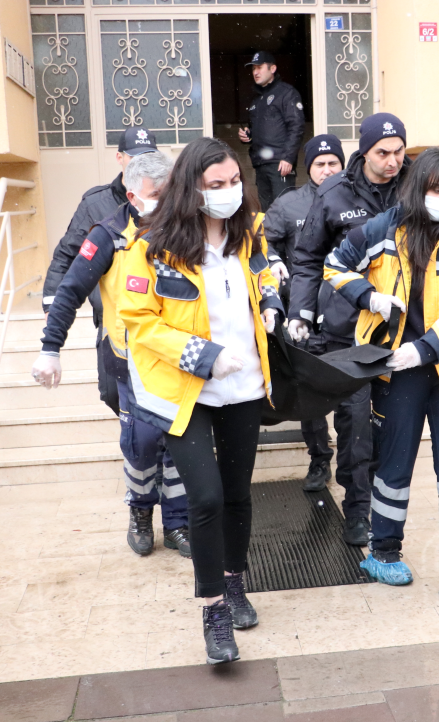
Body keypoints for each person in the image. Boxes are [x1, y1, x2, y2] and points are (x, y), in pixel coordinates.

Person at [119, 137, 283, 665]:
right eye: (217, 186)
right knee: (206, 498)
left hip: (242, 387)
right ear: (191, 189)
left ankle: (235, 584)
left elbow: (267, 280)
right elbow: (139, 322)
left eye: (235, 182)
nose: (230, 193)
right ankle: (213, 607)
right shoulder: (152, 247)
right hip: (183, 391)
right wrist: (202, 353)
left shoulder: (250, 237)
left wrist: (279, 307)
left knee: (237, 494)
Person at [323, 147, 439, 600]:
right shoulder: (382, 230)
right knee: (393, 468)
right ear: (418, 188)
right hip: (395, 372)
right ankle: (383, 553)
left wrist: (427, 349)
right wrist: (369, 297)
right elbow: (335, 266)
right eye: (437, 189)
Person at [31, 152, 191, 559]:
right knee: (141, 444)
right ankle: (140, 513)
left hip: (177, 355)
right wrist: (51, 348)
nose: (167, 198)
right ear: (134, 193)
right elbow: (70, 290)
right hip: (128, 358)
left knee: (180, 442)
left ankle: (177, 522)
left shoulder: (182, 228)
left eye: (170, 190)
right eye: (158, 193)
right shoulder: (108, 232)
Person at [287, 113, 410, 546]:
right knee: (355, 426)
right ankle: (357, 511)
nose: (393, 161)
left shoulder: (416, 185)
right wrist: (299, 313)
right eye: (383, 153)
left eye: (399, 152)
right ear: (364, 150)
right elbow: (306, 258)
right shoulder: (335, 193)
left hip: (401, 332)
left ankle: (384, 505)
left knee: (391, 425)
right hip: (347, 332)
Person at [42, 127, 159, 416]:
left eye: (149, 158)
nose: (142, 165)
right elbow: (68, 253)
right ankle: (138, 441)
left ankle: (152, 450)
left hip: (156, 316)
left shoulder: (164, 200)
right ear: (119, 158)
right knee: (111, 392)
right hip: (111, 317)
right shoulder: (96, 203)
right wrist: (51, 300)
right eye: (135, 158)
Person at [263, 134, 345, 492]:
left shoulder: (356, 199)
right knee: (309, 390)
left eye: (333, 164)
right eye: (319, 164)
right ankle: (319, 459)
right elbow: (262, 240)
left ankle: (358, 467)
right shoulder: (288, 204)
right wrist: (275, 259)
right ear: (307, 167)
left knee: (351, 392)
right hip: (304, 313)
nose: (327, 171)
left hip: (348, 312)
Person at [238, 51, 305, 211]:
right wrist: (248, 136)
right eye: (253, 68)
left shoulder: (287, 93)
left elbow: (297, 125)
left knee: (284, 212)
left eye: (259, 67)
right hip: (261, 164)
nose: (255, 72)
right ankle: (269, 238)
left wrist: (288, 158)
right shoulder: (256, 99)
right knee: (267, 213)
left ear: (272, 68)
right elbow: (258, 130)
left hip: (280, 164)